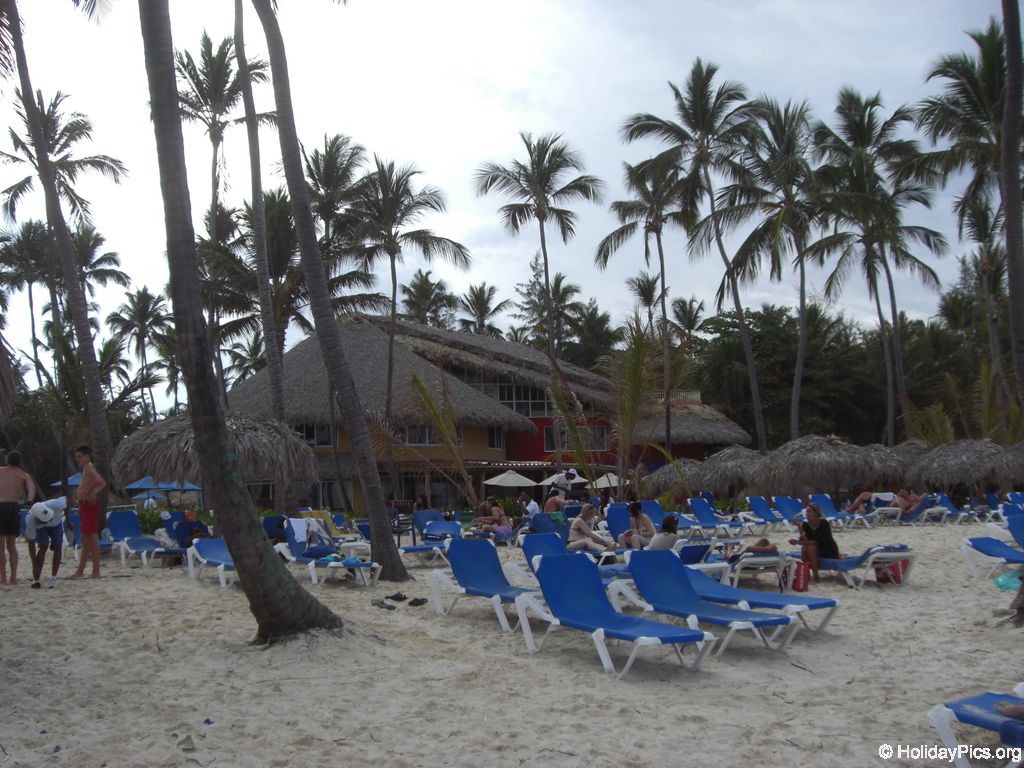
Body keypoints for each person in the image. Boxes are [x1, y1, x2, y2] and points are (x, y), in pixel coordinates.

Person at [0, 450, 35, 585]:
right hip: (14, 507)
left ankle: (3, 578)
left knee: (1, 547)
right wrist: (29, 500)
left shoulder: (1, 471)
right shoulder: (23, 475)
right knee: (12, 546)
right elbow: (31, 489)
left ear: (7, 460)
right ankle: (13, 577)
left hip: (1, 506)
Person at [72, 444, 106, 579]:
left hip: (89, 505)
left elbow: (101, 482)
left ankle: (96, 571)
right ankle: (80, 571)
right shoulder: (86, 468)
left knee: (92, 537)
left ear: (87, 456)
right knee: (85, 539)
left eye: (80, 457)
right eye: (76, 457)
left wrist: (92, 493)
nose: (78, 460)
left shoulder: (89, 467)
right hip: (84, 505)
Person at [789, 502, 839, 583]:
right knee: (804, 548)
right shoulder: (806, 524)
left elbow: (816, 542)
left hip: (828, 550)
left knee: (811, 548)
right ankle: (807, 577)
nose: (807, 514)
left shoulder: (824, 524)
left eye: (809, 512)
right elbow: (805, 540)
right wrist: (799, 526)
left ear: (816, 513)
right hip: (817, 549)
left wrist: (798, 542)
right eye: (806, 512)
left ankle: (816, 578)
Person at [26, 501, 64, 589]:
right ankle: (36, 579)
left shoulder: (55, 504)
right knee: (44, 546)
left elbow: (68, 501)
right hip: (41, 527)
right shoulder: (30, 520)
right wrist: (34, 565)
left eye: (49, 518)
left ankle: (53, 578)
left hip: (56, 524)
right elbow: (31, 545)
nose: (48, 521)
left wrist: (68, 519)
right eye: (46, 520)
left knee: (58, 546)